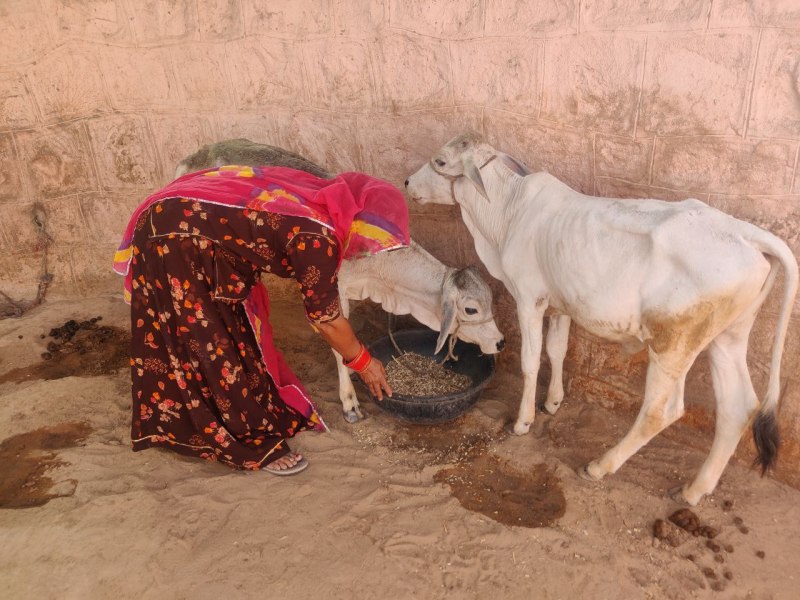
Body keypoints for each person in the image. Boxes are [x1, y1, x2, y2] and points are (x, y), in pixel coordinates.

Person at [114, 164, 409, 475]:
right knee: (208, 342)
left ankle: (250, 408)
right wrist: (364, 363)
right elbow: (327, 320)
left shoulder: (324, 203)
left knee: (233, 328)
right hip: (175, 237)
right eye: (368, 243)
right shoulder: (316, 238)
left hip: (188, 224)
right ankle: (243, 440)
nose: (362, 252)